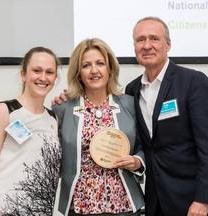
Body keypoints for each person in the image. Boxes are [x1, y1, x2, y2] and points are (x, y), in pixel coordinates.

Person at [125, 16, 208, 216]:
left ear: (168, 44)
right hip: (156, 202)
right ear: (134, 47)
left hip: (194, 201)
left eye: (154, 39)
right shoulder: (132, 90)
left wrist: (202, 200)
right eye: (140, 40)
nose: (147, 45)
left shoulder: (193, 82)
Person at [52, 38, 145, 216]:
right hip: (80, 205)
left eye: (100, 63)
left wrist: (137, 162)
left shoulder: (130, 104)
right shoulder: (62, 108)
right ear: (78, 72)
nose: (94, 70)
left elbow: (146, 147)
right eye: (86, 65)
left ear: (110, 68)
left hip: (123, 204)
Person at [0, 47, 62, 216]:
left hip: (41, 210)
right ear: (23, 74)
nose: (43, 77)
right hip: (8, 210)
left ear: (55, 78)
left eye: (50, 72)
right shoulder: (5, 111)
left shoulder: (53, 118)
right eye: (36, 71)